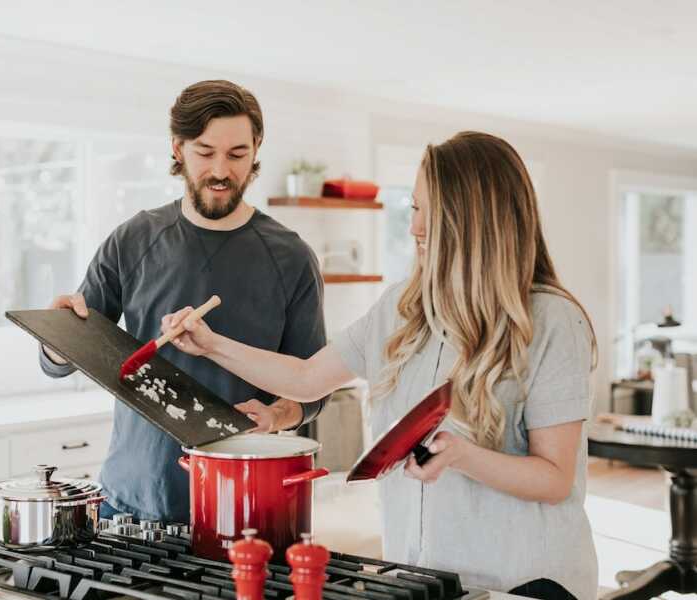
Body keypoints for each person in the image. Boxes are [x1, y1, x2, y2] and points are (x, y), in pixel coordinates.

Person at [163, 131, 598, 600]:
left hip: (525, 582)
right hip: (423, 577)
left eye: (429, 211)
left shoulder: (552, 320)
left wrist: (462, 456)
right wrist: (210, 344)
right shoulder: (402, 308)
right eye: (413, 208)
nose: (414, 227)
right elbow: (307, 378)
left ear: (475, 220)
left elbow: (555, 478)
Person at [39, 80, 329, 524]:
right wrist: (55, 341)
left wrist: (276, 414)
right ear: (178, 148)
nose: (220, 170)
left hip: (242, 505)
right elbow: (67, 353)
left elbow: (313, 389)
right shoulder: (133, 239)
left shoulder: (291, 258)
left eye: (236, 154)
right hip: (129, 502)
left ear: (256, 150)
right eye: (205, 152)